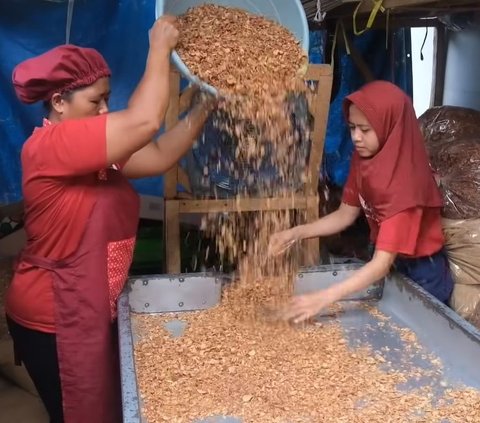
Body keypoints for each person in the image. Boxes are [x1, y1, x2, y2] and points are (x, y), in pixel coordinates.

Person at [5, 16, 213, 423]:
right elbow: (144, 120)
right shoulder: (50, 146)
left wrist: (209, 103)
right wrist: (158, 49)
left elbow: (156, 154)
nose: (104, 111)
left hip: (90, 307)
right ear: (59, 102)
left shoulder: (95, 151)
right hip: (55, 315)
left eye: (107, 100)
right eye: (94, 101)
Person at [269, 81, 454, 324]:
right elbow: (345, 215)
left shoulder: (405, 187)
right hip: (394, 260)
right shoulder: (365, 158)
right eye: (352, 127)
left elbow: (380, 265)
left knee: (420, 337)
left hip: (424, 272)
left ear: (389, 127)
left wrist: (322, 298)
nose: (356, 137)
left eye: (365, 130)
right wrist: (295, 233)